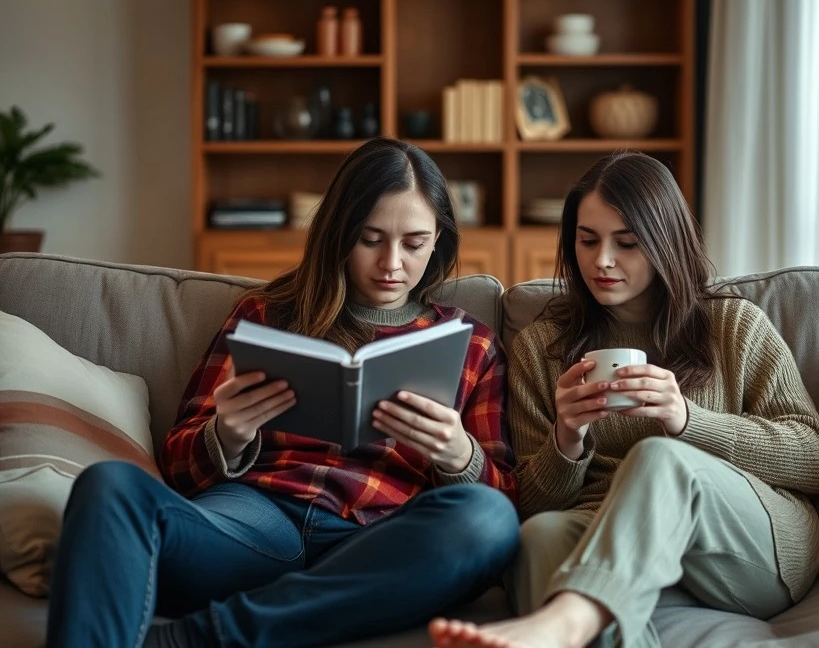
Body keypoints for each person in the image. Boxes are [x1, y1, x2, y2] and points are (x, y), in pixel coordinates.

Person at [46, 137, 519, 648]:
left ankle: (204, 637)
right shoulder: (266, 316)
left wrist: (457, 454)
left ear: (438, 241)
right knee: (110, 486)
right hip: (256, 523)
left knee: (486, 521)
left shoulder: (473, 344)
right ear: (338, 234)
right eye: (370, 238)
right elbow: (179, 468)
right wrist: (227, 432)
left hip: (381, 538)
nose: (391, 264)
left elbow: (505, 501)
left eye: (413, 243)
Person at [428, 151, 819, 648]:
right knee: (538, 539)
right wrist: (566, 441)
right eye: (587, 240)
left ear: (665, 242)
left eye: (627, 243)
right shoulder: (541, 345)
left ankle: (560, 623)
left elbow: (812, 452)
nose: (602, 260)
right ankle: (583, 619)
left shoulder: (733, 326)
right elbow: (531, 505)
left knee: (660, 455)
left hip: (750, 548)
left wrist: (688, 421)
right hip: (616, 543)